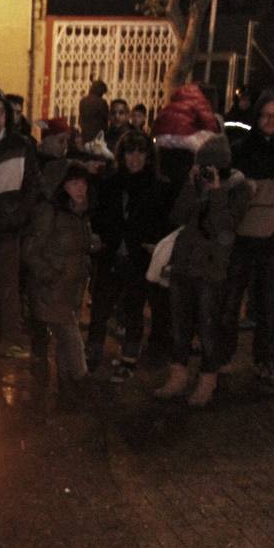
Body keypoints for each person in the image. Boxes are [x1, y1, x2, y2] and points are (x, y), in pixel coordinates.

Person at [154, 134, 251, 407]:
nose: (207, 172)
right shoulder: (196, 185)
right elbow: (177, 216)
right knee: (179, 327)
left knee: (209, 328)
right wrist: (190, 186)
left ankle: (208, 380)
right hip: (184, 265)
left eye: (211, 167)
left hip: (212, 270)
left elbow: (226, 226)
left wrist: (217, 191)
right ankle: (178, 376)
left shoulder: (240, 188)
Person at [225, 90, 274, 383]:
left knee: (269, 305)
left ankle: (265, 359)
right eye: (265, 115)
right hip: (242, 237)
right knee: (231, 300)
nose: (270, 121)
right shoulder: (241, 150)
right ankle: (223, 356)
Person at [87, 131, 173, 379]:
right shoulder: (110, 182)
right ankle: (92, 354)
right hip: (111, 252)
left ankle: (129, 358)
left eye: (140, 152)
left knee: (134, 308)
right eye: (129, 152)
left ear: (148, 155)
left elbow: (164, 221)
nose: (134, 158)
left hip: (138, 256)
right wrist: (99, 237)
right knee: (101, 306)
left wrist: (153, 243)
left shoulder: (158, 186)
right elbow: (100, 215)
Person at [0, 87, 39, 356]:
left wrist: (20, 214)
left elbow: (32, 185)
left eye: (0, 113)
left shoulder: (21, 145)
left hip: (10, 226)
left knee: (9, 286)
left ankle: (11, 338)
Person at [25, 162, 94, 408]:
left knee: (65, 342)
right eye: (74, 183)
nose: (80, 188)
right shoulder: (49, 212)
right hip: (52, 289)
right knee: (70, 336)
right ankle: (82, 381)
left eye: (83, 183)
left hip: (72, 289)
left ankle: (67, 395)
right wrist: (50, 275)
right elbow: (32, 249)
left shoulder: (80, 213)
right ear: (62, 185)